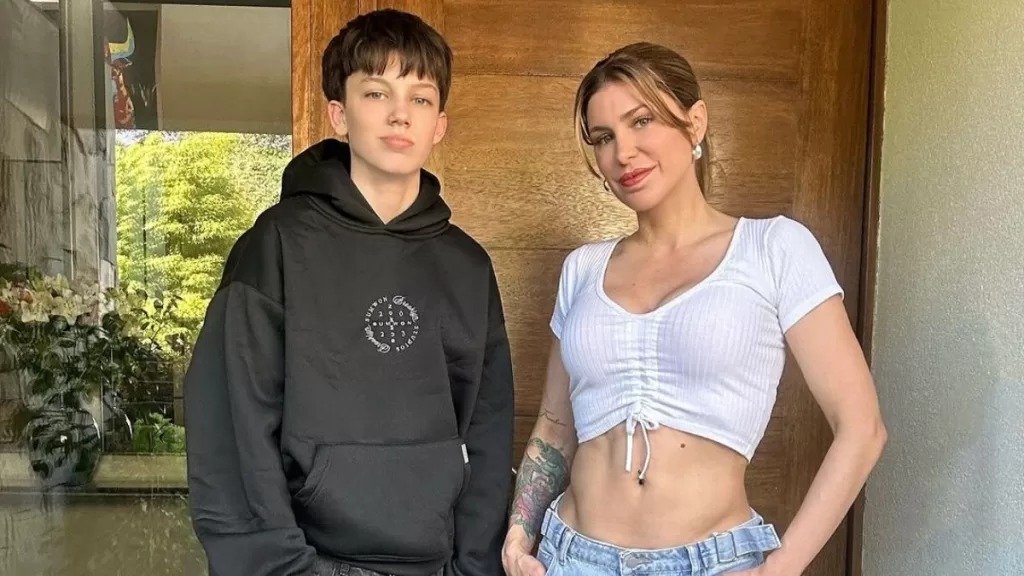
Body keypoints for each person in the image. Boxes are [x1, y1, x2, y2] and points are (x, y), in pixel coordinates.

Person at [501, 42, 887, 576]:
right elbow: (554, 424)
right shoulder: (583, 269)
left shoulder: (774, 249)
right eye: (604, 137)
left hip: (712, 563)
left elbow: (862, 427)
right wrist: (519, 535)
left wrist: (781, 568)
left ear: (695, 121)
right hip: (570, 557)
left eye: (641, 121)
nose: (623, 152)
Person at [183, 9, 514, 576]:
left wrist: (474, 567)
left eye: (420, 98)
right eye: (376, 93)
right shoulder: (277, 245)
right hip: (308, 563)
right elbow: (231, 427)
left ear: (439, 124)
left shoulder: (467, 266)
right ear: (339, 113)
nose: (400, 114)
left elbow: (487, 430)